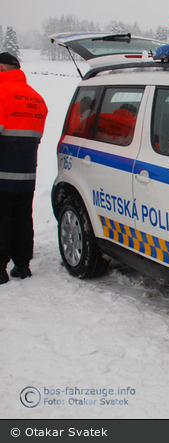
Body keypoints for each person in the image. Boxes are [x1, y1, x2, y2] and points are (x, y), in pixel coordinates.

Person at [0, 52, 48, 284]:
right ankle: (22, 265)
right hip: (27, 171)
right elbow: (36, 136)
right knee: (22, 217)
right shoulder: (37, 99)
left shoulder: (1, 93)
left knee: (2, 218)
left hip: (2, 171)